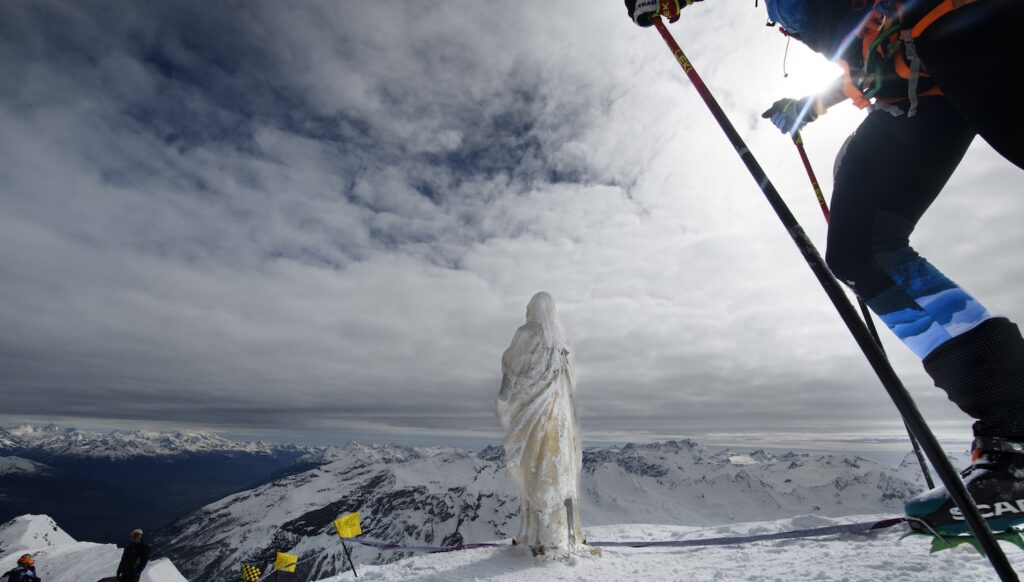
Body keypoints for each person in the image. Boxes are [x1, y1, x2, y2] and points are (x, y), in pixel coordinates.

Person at [625, 0, 1024, 534]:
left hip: (959, 29)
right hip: (918, 76)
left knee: (865, 248)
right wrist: (813, 103)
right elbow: (858, 44)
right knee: (861, 252)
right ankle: (1012, 437)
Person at [497, 292, 585, 556]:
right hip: (559, 421)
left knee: (534, 475)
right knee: (557, 476)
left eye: (528, 308)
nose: (526, 312)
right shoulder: (562, 342)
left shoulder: (528, 333)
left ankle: (535, 536)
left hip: (534, 419)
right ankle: (560, 536)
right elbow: (569, 384)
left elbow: (513, 368)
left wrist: (506, 398)